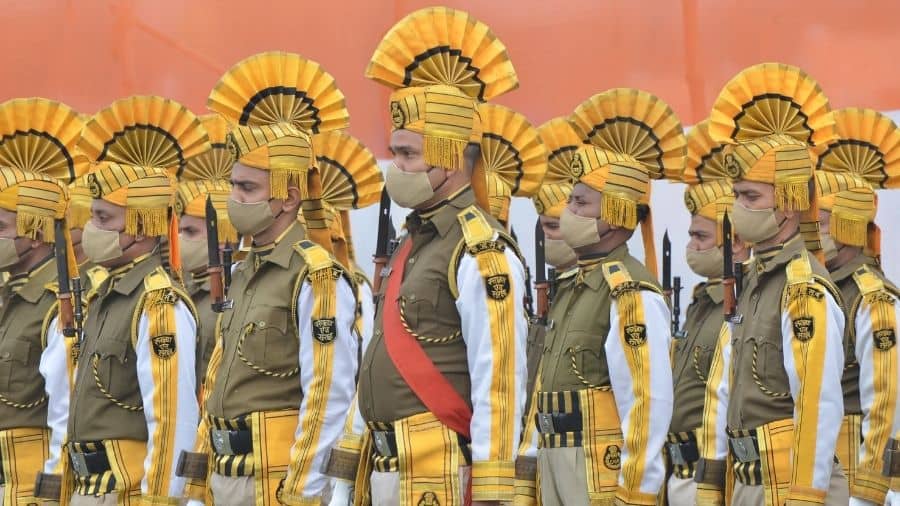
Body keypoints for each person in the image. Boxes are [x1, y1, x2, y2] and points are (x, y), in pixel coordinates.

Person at [355, 6, 529, 505]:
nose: (395, 165)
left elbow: (499, 379)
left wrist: (493, 490)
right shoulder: (411, 243)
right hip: (388, 469)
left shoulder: (481, 248)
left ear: (452, 157)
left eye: (408, 154)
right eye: (394, 152)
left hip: (443, 477)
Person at [182, 50, 359, 506]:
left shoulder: (315, 274)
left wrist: (303, 492)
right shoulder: (243, 271)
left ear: (287, 198)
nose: (233, 198)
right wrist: (198, 484)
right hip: (226, 478)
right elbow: (216, 381)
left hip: (275, 483)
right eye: (233, 185)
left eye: (247, 188)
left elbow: (327, 394)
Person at [517, 87, 684, 505]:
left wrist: (637, 494)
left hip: (595, 470)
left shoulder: (629, 291)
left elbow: (647, 402)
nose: (568, 212)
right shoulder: (573, 289)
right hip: (556, 464)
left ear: (614, 216)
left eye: (579, 203)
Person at [698, 62, 847, 505]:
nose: (736, 208)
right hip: (749, 483)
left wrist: (805, 496)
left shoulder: (802, 287)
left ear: (786, 206)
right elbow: (721, 392)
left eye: (750, 197)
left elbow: (817, 405)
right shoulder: (754, 282)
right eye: (736, 194)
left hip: (788, 491)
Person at [64, 94, 208, 505]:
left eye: (103, 219)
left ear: (142, 227)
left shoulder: (159, 302)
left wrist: (160, 499)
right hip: (89, 489)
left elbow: (172, 417)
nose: (91, 229)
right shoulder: (105, 296)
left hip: (126, 494)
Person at [0, 97, 89, 504]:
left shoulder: (60, 303)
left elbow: (67, 416)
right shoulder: (7, 295)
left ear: (35, 232)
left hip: (31, 488)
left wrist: (53, 496)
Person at [814, 107, 900, 506]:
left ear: (849, 224)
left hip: (852, 480)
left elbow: (885, 401)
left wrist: (867, 494)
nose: (811, 234)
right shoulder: (820, 288)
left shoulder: (872, 298)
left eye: (821, 223)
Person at [665, 119, 749, 504]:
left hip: (712, 476)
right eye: (691, 235)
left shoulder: (740, 305)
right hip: (677, 473)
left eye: (701, 237)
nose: (691, 246)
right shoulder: (701, 303)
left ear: (737, 244)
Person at [175, 113, 238, 398]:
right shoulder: (181, 290)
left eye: (190, 231)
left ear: (222, 233)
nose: (179, 240)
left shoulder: (236, 292)